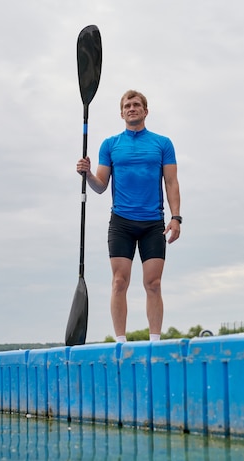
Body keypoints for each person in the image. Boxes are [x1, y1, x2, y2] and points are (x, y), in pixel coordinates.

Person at [76, 90, 181, 342]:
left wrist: (176, 218)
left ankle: (154, 342)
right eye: (127, 105)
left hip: (152, 222)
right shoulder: (110, 145)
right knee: (119, 282)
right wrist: (88, 173)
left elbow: (171, 182)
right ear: (121, 112)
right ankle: (121, 343)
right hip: (121, 222)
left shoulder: (162, 143)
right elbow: (100, 186)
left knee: (153, 283)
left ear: (145, 111)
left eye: (136, 105)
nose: (131, 108)